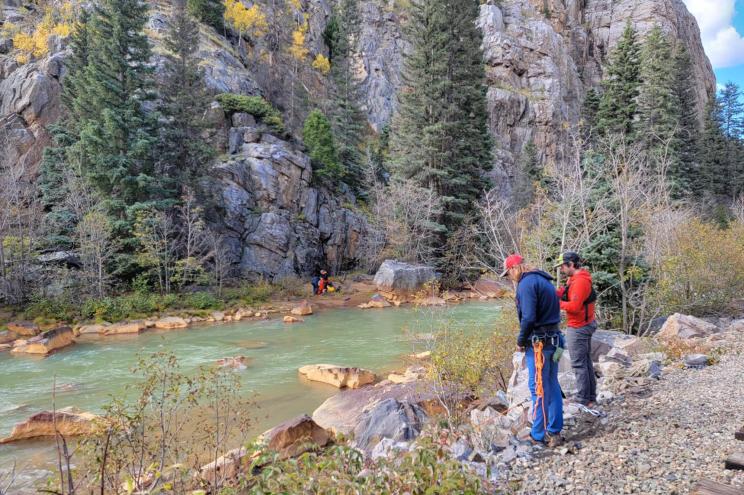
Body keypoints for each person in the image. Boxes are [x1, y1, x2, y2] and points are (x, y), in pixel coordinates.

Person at [501, 253, 564, 447]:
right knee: (552, 385)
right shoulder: (544, 280)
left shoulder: (527, 285)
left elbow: (528, 317)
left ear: (514, 268)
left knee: (538, 388)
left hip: (540, 345)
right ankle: (554, 430)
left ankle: (538, 434)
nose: (509, 277)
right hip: (555, 340)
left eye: (508, 273)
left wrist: (521, 340)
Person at [554, 252, 597, 408]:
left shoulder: (580, 282)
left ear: (571, 264)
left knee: (579, 364)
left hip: (579, 327)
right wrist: (556, 293)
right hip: (584, 324)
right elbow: (567, 292)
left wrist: (556, 303)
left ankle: (582, 399)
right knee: (586, 362)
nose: (562, 270)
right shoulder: (575, 279)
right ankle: (590, 396)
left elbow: (574, 307)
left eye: (563, 267)